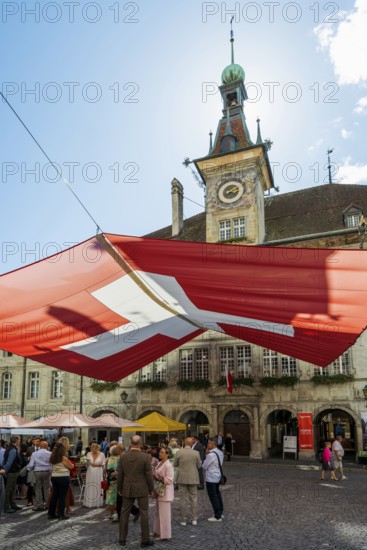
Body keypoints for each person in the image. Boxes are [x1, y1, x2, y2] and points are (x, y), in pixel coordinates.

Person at [117, 435, 155, 547]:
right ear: (140, 444)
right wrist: (151, 488)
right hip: (142, 488)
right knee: (144, 512)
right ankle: (145, 540)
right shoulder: (145, 457)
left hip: (127, 488)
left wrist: (119, 488)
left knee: (124, 513)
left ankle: (122, 539)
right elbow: (149, 476)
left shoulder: (123, 457)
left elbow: (120, 475)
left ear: (131, 444)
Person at [173, 437, 202, 526]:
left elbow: (175, 464)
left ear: (184, 443)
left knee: (182, 499)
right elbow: (199, 465)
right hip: (193, 477)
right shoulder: (196, 453)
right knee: (193, 498)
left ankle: (183, 520)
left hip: (182, 478)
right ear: (191, 444)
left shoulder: (179, 452)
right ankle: (194, 519)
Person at [152, 446, 174, 540]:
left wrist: (158, 478)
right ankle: (157, 531)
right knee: (158, 512)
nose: (160, 453)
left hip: (165, 491)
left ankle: (165, 535)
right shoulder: (160, 462)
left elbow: (169, 480)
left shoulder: (168, 465)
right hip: (159, 490)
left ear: (167, 454)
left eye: (162, 452)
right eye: (160, 452)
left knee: (164, 514)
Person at [48, 442, 74, 520]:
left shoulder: (52, 457)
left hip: (54, 477)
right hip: (63, 477)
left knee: (54, 496)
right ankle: (61, 514)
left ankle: (51, 513)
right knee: (62, 497)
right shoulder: (63, 458)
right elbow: (71, 466)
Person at [202, 437, 224, 522]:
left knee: (213, 496)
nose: (207, 445)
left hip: (211, 478)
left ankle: (217, 515)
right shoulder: (220, 452)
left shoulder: (211, 455)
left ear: (213, 444)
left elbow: (204, 466)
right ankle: (220, 512)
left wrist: (206, 455)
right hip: (218, 476)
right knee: (218, 495)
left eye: (208, 443)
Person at [28, 440, 51, 511]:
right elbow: (52, 463)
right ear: (47, 446)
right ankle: (48, 504)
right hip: (47, 471)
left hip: (37, 471)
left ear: (39, 446)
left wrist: (28, 469)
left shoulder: (34, 454)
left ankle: (40, 506)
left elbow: (31, 465)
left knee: (38, 489)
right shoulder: (50, 453)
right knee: (46, 488)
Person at [2, 435, 22, 513]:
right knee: (9, 490)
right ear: (16, 440)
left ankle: (12, 504)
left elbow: (5, 461)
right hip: (12, 472)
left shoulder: (10, 448)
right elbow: (9, 463)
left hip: (12, 472)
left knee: (12, 489)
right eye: (19, 439)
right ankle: (6, 507)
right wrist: (5, 471)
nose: (20, 441)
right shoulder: (12, 450)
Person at [84, 442, 106, 508]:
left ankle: (97, 502)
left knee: (97, 485)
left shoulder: (102, 454)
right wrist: (85, 463)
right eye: (92, 449)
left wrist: (98, 465)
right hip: (90, 472)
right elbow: (87, 463)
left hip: (98, 472)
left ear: (97, 448)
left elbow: (104, 464)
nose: (94, 451)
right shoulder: (88, 454)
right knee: (90, 485)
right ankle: (89, 501)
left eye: (95, 449)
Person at [105, 444, 121, 520]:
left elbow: (105, 470)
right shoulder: (120, 458)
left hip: (110, 481)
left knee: (111, 498)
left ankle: (111, 514)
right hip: (118, 480)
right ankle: (118, 513)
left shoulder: (108, 459)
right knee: (118, 497)